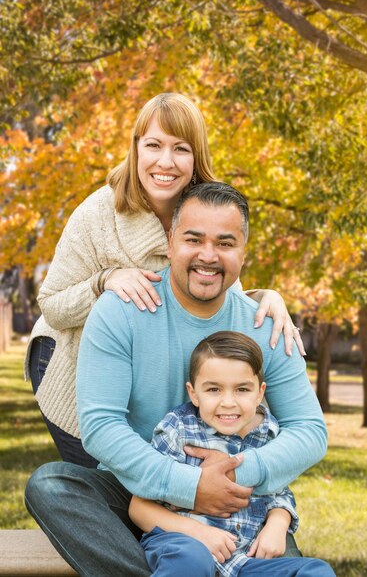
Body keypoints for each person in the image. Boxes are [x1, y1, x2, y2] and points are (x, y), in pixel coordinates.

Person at [25, 182, 328, 577]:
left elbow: (310, 431)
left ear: (243, 252)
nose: (208, 255)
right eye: (193, 239)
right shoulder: (121, 310)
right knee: (51, 485)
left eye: (225, 243)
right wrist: (190, 484)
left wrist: (237, 472)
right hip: (137, 489)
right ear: (170, 242)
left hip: (235, 500)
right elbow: (101, 429)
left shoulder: (264, 324)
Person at [25, 92, 305, 468]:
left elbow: (214, 283)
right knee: (108, 482)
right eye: (154, 145)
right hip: (68, 358)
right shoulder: (97, 213)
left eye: (181, 149)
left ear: (196, 157)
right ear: (136, 148)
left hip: (145, 367)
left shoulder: (206, 208)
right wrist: (103, 280)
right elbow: (53, 305)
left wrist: (264, 296)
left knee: (157, 475)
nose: (165, 162)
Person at [131, 330, 335, 577]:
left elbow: (279, 491)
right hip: (183, 544)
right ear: (193, 393)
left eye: (242, 389)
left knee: (316, 570)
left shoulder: (268, 433)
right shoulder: (179, 429)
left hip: (244, 560)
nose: (228, 402)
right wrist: (199, 533)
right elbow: (139, 507)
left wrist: (278, 523)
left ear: (260, 393)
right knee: (191, 561)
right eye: (214, 390)